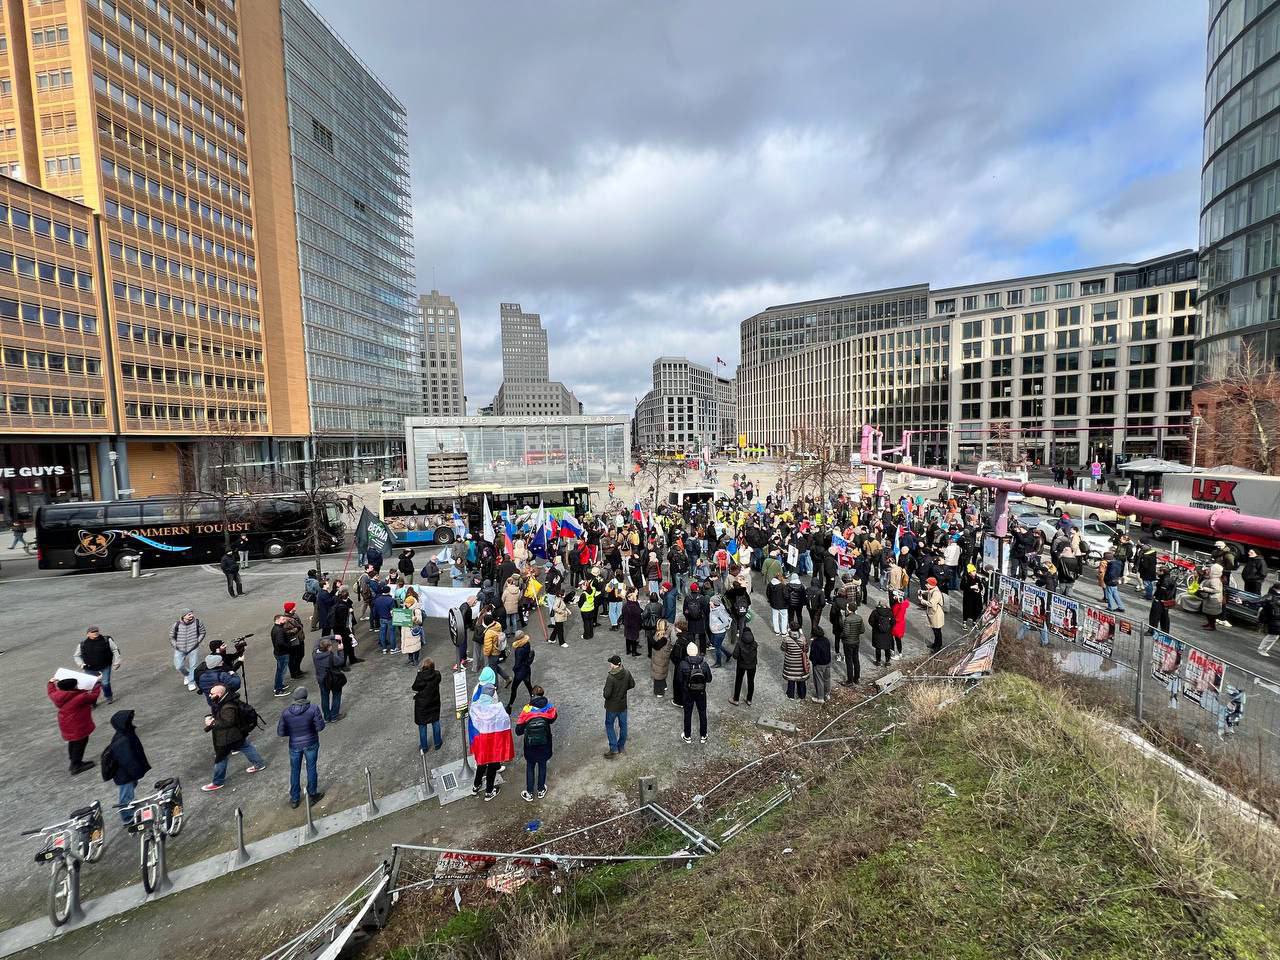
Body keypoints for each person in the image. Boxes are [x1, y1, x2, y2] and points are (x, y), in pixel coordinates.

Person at [202, 684, 267, 792]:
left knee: (221, 758)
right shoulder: (228, 699)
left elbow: (227, 722)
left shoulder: (228, 706)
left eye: (212, 694)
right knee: (246, 746)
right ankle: (259, 764)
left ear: (219, 694)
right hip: (237, 734)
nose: (209, 695)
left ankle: (217, 782)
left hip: (227, 738)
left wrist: (212, 722)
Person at [276, 688, 325, 808]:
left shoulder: (286, 712)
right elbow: (320, 726)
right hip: (311, 742)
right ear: (306, 696)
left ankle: (295, 798)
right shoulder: (313, 709)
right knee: (311, 767)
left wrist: (293, 733)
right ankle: (312, 794)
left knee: (295, 770)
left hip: (294, 745)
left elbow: (281, 732)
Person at [101, 710, 150, 824]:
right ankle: (127, 817)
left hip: (126, 773)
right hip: (125, 774)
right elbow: (127, 760)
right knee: (126, 794)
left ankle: (130, 806)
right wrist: (136, 771)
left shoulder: (125, 734)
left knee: (129, 790)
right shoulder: (123, 740)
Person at [468, 681, 514, 801]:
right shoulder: (497, 709)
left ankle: (476, 786)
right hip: (494, 744)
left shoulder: (475, 707)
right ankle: (489, 791)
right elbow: (505, 721)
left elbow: (472, 725)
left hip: (481, 743)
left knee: (481, 765)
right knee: (492, 768)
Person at [48, 676, 100, 775]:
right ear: (72, 687)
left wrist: (50, 683)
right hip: (78, 724)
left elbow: (51, 691)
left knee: (73, 742)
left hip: (66, 722)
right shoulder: (80, 697)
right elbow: (94, 696)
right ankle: (76, 765)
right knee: (80, 743)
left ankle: (74, 761)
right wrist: (97, 684)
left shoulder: (57, 695)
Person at [515, 685, 558, 801]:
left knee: (530, 767)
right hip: (545, 743)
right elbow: (553, 718)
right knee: (542, 765)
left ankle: (529, 792)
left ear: (532, 696)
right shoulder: (548, 707)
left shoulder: (527, 709)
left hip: (530, 746)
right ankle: (540, 790)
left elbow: (518, 731)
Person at [73, 625, 120, 704]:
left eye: (96, 631)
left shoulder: (106, 640)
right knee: (92, 685)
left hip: (105, 666)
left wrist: (117, 662)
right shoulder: (82, 644)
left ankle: (109, 697)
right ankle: (92, 701)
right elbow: (76, 656)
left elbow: (115, 650)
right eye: (93, 632)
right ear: (88, 634)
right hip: (90, 669)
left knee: (105, 683)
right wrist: (81, 665)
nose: (95, 633)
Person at [602, 654, 635, 758]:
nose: (610, 664)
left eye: (611, 663)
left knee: (609, 725)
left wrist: (605, 691)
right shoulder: (626, 672)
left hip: (612, 707)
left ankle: (614, 748)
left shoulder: (611, 677)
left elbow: (606, 694)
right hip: (622, 705)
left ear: (614, 665)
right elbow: (632, 684)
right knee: (623, 726)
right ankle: (621, 746)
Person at [679, 642, 711, 743]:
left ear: (688, 652)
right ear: (697, 652)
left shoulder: (683, 664)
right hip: (701, 692)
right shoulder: (704, 664)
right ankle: (703, 735)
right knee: (702, 713)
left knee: (687, 713)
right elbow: (709, 679)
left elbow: (679, 680)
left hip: (688, 692)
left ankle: (687, 736)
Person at [169, 609, 206, 692]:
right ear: (184, 616)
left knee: (193, 666)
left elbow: (202, 632)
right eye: (189, 614)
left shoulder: (198, 622)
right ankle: (187, 674)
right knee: (179, 666)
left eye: (191, 613)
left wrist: (197, 641)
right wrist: (175, 645)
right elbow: (171, 636)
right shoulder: (176, 625)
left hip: (193, 647)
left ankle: (191, 682)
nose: (191, 615)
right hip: (180, 648)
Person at [412, 659, 444, 753]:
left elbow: (415, 687)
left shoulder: (420, 677)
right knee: (435, 722)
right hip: (434, 702)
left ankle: (424, 747)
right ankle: (437, 743)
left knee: (422, 726)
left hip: (422, 705)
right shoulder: (437, 674)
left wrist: (419, 673)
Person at [313, 638, 346, 723]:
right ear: (328, 647)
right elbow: (341, 661)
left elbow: (319, 640)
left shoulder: (315, 654)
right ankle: (334, 716)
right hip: (333, 679)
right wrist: (340, 650)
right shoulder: (331, 657)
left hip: (321, 680)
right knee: (336, 695)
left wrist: (334, 636)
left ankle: (327, 717)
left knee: (324, 697)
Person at [728, 624, 757, 706]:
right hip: (752, 665)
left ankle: (736, 699)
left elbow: (735, 656)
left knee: (738, 681)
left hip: (741, 665)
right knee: (751, 681)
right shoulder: (754, 644)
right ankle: (749, 699)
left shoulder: (739, 644)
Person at [507, 631, 536, 711]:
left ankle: (510, 705)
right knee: (529, 685)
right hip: (527, 669)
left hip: (520, 672)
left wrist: (514, 669)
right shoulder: (527, 643)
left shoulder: (519, 649)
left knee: (514, 688)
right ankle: (533, 700)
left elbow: (518, 663)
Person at [781, 629, 810, 700]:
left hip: (790, 662)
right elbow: (806, 650)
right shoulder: (803, 638)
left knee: (791, 679)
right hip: (801, 663)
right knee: (801, 679)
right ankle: (802, 695)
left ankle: (791, 695)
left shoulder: (786, 639)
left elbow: (783, 648)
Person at [271, 615, 296, 698]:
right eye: (283, 619)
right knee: (281, 672)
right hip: (282, 654)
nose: (285, 620)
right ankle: (278, 690)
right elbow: (280, 643)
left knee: (279, 670)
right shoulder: (279, 630)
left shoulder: (275, 628)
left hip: (278, 653)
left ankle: (278, 685)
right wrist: (289, 646)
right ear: (277, 620)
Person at [282, 602, 307, 678]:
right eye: (293, 607)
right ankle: (294, 673)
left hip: (300, 639)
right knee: (293, 658)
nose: (295, 608)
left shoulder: (295, 615)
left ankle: (298, 670)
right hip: (294, 641)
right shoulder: (286, 620)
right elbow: (286, 632)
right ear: (290, 610)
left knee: (301, 655)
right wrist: (297, 629)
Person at [921, 578, 945, 652]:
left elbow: (931, 604)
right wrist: (923, 592)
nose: (926, 585)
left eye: (927, 583)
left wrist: (922, 601)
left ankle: (938, 646)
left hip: (936, 614)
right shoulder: (933, 590)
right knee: (935, 630)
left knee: (937, 631)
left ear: (931, 585)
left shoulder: (936, 593)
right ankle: (935, 644)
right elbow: (929, 592)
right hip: (934, 613)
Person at [707, 595, 733, 667]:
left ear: (714, 603)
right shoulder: (713, 607)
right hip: (714, 632)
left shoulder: (719, 612)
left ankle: (718, 663)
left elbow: (726, 622)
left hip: (719, 633)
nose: (709, 603)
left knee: (717, 648)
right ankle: (728, 654)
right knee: (715, 644)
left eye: (711, 602)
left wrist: (719, 627)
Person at [1199, 562, 1225, 631]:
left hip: (1213, 600)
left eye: (1210, 569)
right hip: (1210, 599)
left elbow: (1216, 590)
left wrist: (1204, 589)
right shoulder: (1213, 578)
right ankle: (1209, 624)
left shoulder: (1215, 580)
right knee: (1208, 614)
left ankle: (1212, 626)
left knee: (1211, 615)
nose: (1209, 570)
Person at [809, 624, 831, 703]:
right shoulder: (826, 640)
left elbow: (814, 655)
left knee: (819, 681)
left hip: (819, 664)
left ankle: (820, 697)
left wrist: (812, 660)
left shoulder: (815, 643)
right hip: (827, 663)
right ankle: (827, 694)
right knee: (827, 679)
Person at [1257, 584, 1280, 657]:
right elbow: (1258, 601)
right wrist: (1243, 600)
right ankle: (1262, 649)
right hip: (1273, 618)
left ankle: (1263, 649)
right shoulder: (1270, 596)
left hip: (1276, 618)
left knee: (1274, 636)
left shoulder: (1276, 596)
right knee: (1273, 635)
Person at [870, 601, 895, 667]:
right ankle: (887, 662)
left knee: (878, 647)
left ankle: (878, 661)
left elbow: (870, 621)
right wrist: (889, 628)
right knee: (887, 647)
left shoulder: (875, 612)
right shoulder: (890, 612)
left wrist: (876, 627)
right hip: (887, 633)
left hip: (877, 633)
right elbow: (893, 622)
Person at [650, 623, 672, 699]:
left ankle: (659, 692)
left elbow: (656, 645)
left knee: (658, 675)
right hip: (664, 659)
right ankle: (664, 685)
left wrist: (650, 637)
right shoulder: (667, 635)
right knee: (663, 671)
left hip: (658, 659)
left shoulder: (660, 638)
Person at [621, 591, 644, 656]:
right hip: (634, 625)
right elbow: (639, 613)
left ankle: (628, 650)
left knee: (627, 637)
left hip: (627, 624)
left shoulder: (625, 605)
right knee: (634, 638)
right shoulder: (634, 606)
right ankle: (634, 652)